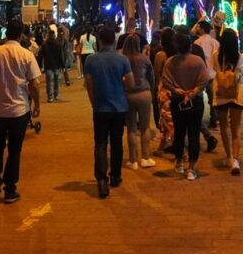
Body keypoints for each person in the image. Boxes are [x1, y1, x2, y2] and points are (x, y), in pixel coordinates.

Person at [0, 18, 42, 206]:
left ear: (6, 33)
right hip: (18, 110)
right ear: (21, 34)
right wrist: (37, 104)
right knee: (15, 150)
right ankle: (10, 189)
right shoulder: (26, 55)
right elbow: (34, 84)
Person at [83, 27, 134, 198]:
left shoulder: (90, 60)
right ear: (113, 41)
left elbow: (89, 85)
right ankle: (116, 175)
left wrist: (92, 102)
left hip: (100, 108)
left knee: (100, 143)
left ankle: (101, 178)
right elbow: (131, 84)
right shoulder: (122, 60)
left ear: (99, 41)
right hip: (119, 107)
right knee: (117, 142)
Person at [161, 32, 210, 181]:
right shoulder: (198, 61)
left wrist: (178, 91)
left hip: (178, 101)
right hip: (194, 102)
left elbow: (166, 81)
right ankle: (192, 168)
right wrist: (193, 93)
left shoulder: (170, 62)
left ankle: (179, 161)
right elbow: (204, 80)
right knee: (194, 134)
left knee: (179, 132)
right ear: (190, 46)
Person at [211, 28, 243, 175]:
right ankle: (236, 160)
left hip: (220, 93)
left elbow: (215, 71)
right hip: (236, 93)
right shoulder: (242, 56)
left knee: (224, 126)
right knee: (236, 127)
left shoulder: (216, 55)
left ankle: (229, 156)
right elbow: (240, 75)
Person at [122, 34, 156, 170]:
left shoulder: (123, 59)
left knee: (131, 128)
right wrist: (152, 92)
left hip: (128, 94)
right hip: (144, 93)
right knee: (145, 127)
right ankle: (146, 158)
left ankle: (133, 160)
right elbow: (152, 78)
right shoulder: (145, 59)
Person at [193, 20, 220, 131]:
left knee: (197, 98)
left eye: (199, 27)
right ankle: (214, 120)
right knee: (213, 99)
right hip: (212, 74)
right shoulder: (215, 42)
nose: (197, 29)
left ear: (203, 29)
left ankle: (197, 120)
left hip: (200, 75)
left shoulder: (197, 43)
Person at [41, 30, 65, 103]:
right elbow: (61, 56)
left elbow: (41, 55)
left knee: (49, 82)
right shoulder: (58, 44)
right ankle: (56, 95)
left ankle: (50, 97)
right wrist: (63, 66)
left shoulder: (44, 44)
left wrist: (39, 64)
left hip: (48, 65)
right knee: (56, 81)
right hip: (57, 65)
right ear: (54, 36)